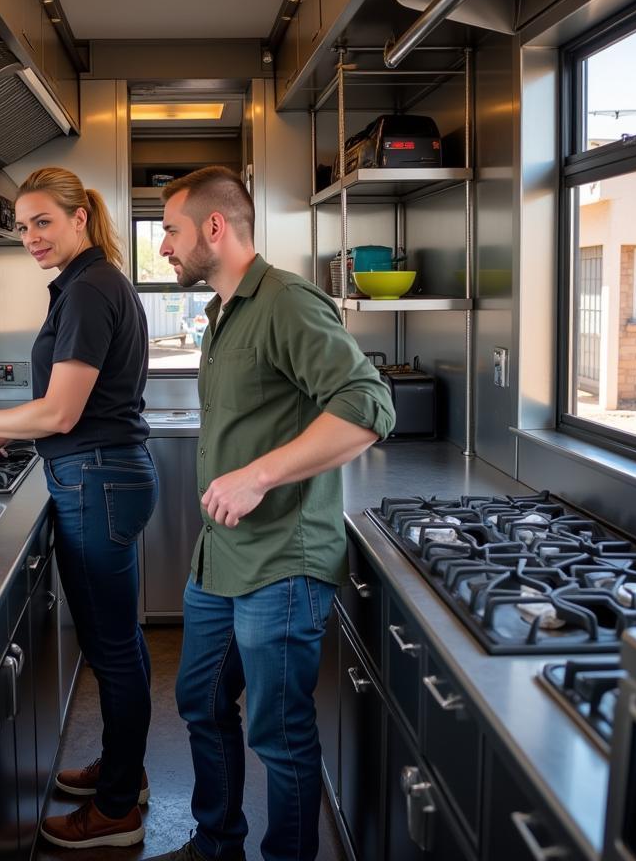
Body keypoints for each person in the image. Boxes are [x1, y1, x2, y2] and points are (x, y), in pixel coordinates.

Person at [148, 166, 395, 861]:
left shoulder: (286, 300)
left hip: (282, 562)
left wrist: (259, 476)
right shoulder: (223, 312)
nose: (164, 247)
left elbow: (368, 405)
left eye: (170, 229)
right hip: (222, 558)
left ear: (215, 228)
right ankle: (217, 843)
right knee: (200, 702)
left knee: (278, 734)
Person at [0, 167, 158, 850]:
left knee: (112, 648)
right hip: (103, 475)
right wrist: (4, 425)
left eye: (42, 221)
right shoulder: (94, 283)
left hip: (95, 479)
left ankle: (116, 811)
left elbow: (62, 409)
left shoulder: (89, 290)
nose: (30, 237)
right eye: (21, 226)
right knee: (120, 643)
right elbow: (58, 409)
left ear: (80, 215)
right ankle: (124, 774)